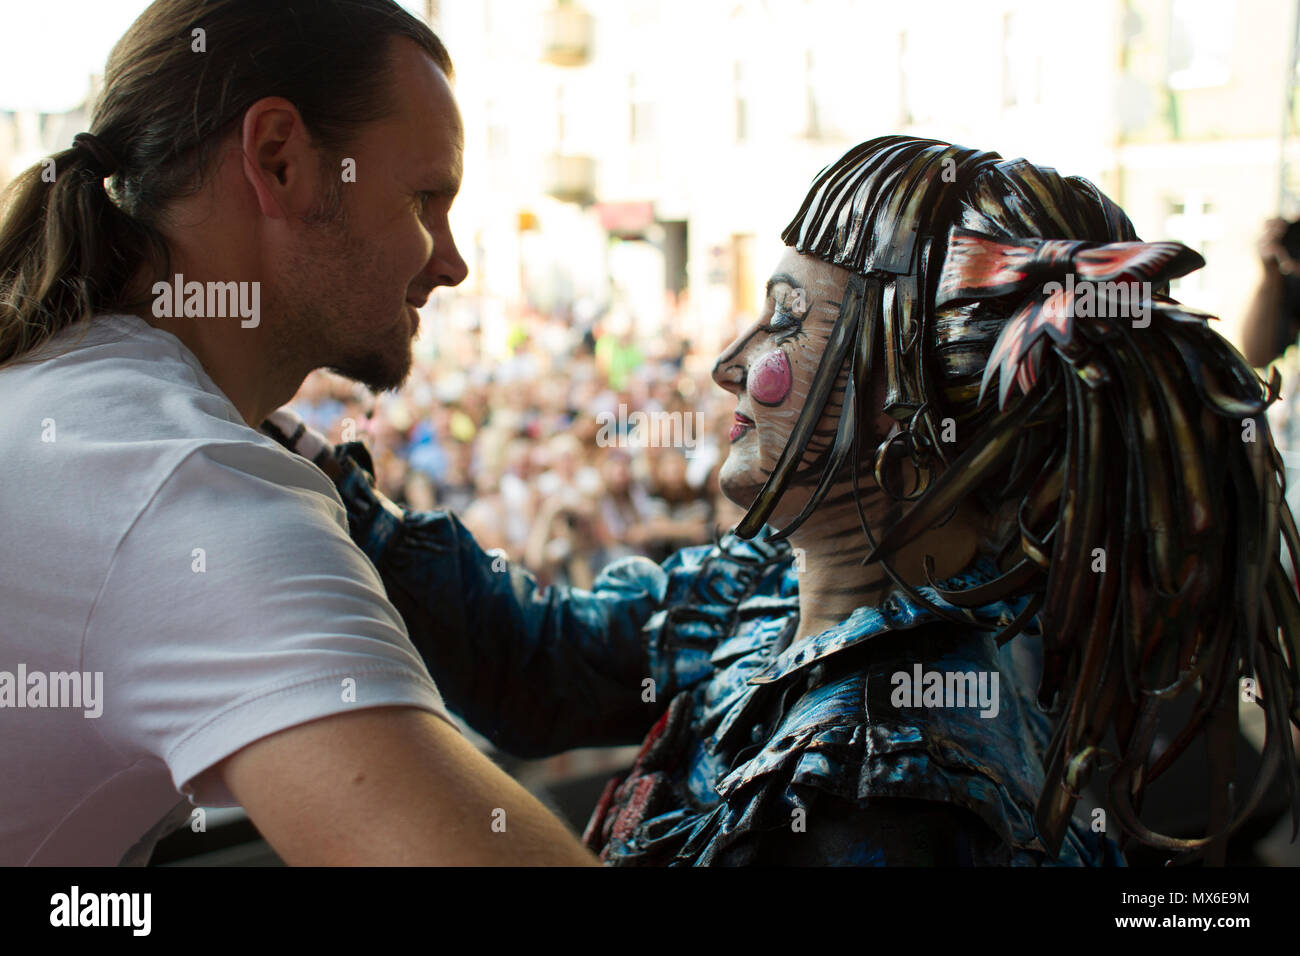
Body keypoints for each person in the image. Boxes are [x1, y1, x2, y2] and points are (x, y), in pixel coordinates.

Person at [268, 135, 1300, 865]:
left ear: (907, 416)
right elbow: (536, 665)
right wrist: (297, 458)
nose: (727, 364)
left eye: (786, 322)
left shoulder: (888, 785)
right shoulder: (763, 585)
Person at [0, 0, 596, 866]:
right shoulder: (183, 486)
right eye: (426, 197)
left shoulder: (71, 399)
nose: (452, 260)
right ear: (280, 161)